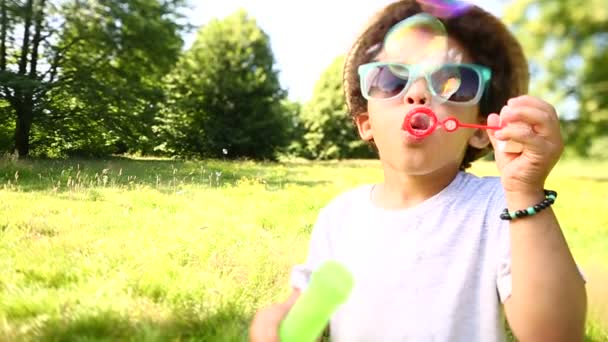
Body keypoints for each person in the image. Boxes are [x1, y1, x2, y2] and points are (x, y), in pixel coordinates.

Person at [250, 1, 587, 341]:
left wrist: (525, 192)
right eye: (392, 79)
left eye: (452, 83)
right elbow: (310, 309)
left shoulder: (502, 207)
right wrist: (279, 319)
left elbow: (556, 334)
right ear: (366, 124)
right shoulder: (339, 217)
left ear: (480, 130)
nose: (418, 92)